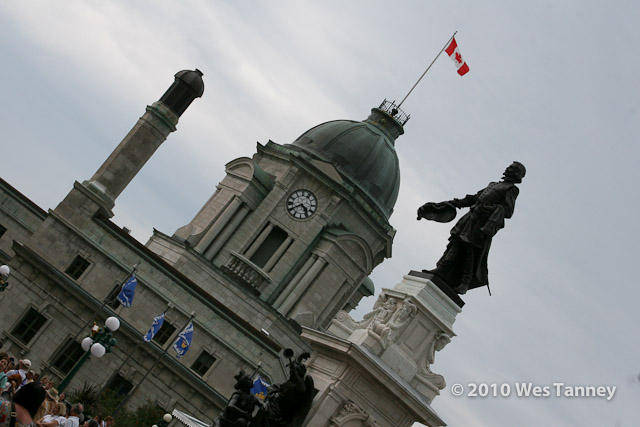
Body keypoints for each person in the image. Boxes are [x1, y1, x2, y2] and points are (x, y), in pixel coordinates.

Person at [418, 161, 526, 294]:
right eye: (509, 166)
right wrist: (454, 203)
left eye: (512, 168)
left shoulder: (511, 189)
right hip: (470, 218)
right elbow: (475, 198)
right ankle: (442, 270)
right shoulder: (493, 184)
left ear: (517, 173)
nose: (508, 168)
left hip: (481, 223)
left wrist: (487, 209)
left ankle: (465, 282)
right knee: (456, 242)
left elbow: (508, 211)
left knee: (469, 249)